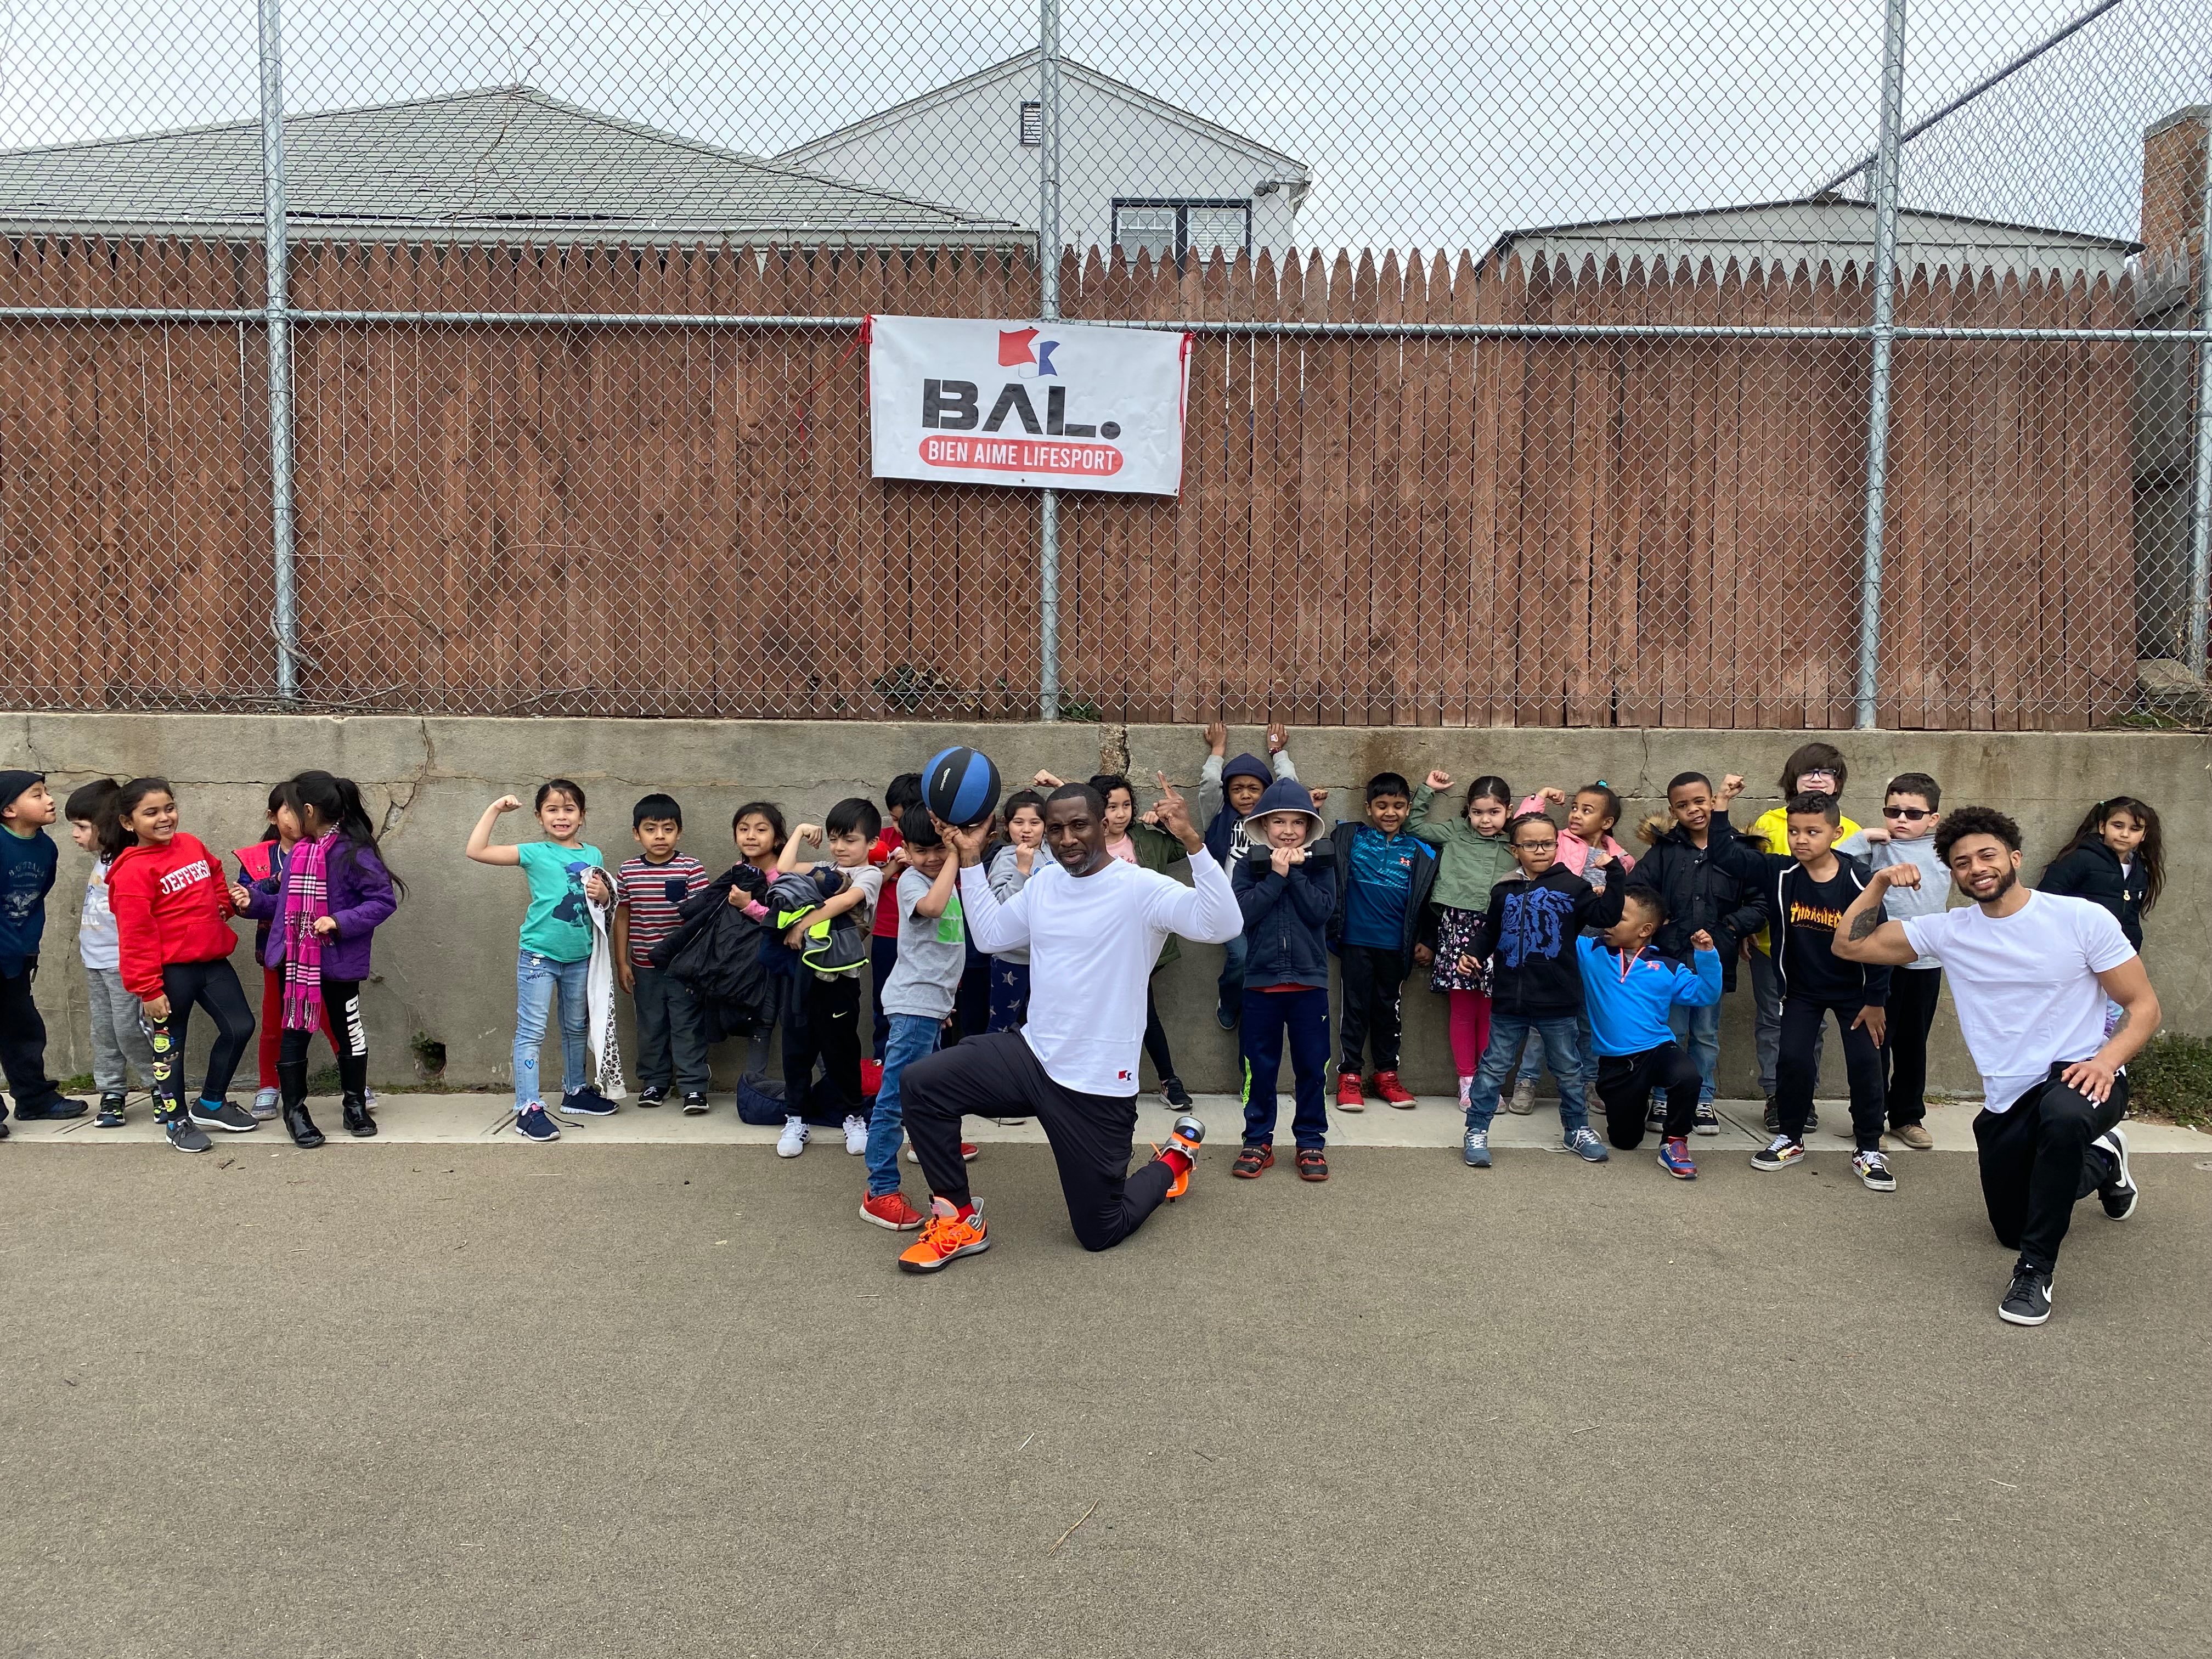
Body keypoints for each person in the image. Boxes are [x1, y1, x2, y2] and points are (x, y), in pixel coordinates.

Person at [893, 776, 1240, 1273]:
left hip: (1097, 1083)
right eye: (1056, 829)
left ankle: (1173, 1161)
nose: (1067, 838)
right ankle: (959, 1219)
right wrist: (969, 859)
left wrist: (1192, 841)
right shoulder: (1047, 885)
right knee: (922, 1084)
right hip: (1032, 1056)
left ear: (1103, 825)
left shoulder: (1139, 887)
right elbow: (991, 936)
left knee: (1100, 1232)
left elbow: (1222, 925)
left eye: (1079, 825)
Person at [1833, 806, 2157, 1327]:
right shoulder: (1947, 930)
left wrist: (2106, 1062)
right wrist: (1877, 885)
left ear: (2015, 858)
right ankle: (2103, 1161)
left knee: (2065, 1119)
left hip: (2081, 1073)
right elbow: (1848, 945)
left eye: (1987, 855)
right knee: (2012, 1223)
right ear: (1953, 875)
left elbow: (2144, 1008)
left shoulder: (2080, 919)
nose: (1976, 867)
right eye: (1962, 862)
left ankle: (2034, 1273)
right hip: (2010, 1092)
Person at [235, 771, 400, 1147]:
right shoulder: (302, 853)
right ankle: (296, 1112)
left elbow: (381, 902)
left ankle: (354, 1104)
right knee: (293, 1036)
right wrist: (254, 902)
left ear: (308, 810)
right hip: (295, 963)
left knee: (349, 1035)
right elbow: (287, 904)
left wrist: (338, 921)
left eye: (293, 810)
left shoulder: (354, 852)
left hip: (339, 964)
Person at [1745, 792, 1894, 1192]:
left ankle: (1868, 1148)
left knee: (1866, 1066)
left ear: (1837, 833)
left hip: (1856, 995)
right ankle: (1790, 1139)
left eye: (1813, 831)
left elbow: (1881, 940)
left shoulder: (1859, 878)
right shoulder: (1783, 876)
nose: (1801, 840)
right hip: (1802, 993)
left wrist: (1876, 1000)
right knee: (1792, 1060)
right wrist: (1723, 803)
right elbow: (1730, 857)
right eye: (1794, 832)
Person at [1459, 811, 1620, 1169]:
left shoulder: (1573, 887)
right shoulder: (1504, 889)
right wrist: (1472, 954)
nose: (1540, 850)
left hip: (1558, 1000)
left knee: (1569, 1070)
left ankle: (1577, 1130)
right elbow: (1490, 932)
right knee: (1493, 1069)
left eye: (1548, 843)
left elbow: (1607, 917)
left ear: (1556, 844)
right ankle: (1476, 1131)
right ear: (1516, 850)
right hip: (1508, 1001)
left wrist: (1615, 874)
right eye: (1531, 844)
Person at [104, 777, 256, 1153]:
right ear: (128, 823)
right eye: (151, 813)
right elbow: (135, 936)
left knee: (240, 1026)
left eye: (169, 808)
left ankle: (211, 1103)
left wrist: (225, 905)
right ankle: (177, 1120)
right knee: (170, 1048)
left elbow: (215, 871)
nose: (164, 818)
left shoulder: (191, 844)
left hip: (212, 960)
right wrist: (148, 989)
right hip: (170, 974)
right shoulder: (131, 873)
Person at [1034, 768, 1198, 1108]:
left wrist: (1164, 823)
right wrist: (1059, 784)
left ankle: (1161, 1080)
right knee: (1124, 1010)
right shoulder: (1078, 849)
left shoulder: (1145, 839)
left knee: (1140, 1009)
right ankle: (1114, 1081)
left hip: (1136, 950)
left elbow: (1184, 848)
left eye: (1126, 806)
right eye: (1111, 807)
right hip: (1091, 949)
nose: (1120, 814)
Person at [465, 780, 618, 1144]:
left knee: (576, 1026)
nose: (561, 816)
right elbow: (476, 850)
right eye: (552, 809)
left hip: (581, 956)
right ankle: (528, 1107)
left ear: (582, 816)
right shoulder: (534, 852)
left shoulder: (594, 854)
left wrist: (604, 892)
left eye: (569, 809)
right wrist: (495, 810)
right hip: (539, 956)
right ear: (539, 816)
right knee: (532, 1031)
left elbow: (600, 903)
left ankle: (575, 1092)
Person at [1624, 771, 1763, 1133]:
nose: (1694, 810)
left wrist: (1731, 929)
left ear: (1712, 802)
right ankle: (1663, 1098)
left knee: (1705, 1033)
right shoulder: (1666, 850)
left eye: (1700, 801)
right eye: (1683, 806)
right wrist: (1659, 920)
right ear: (1673, 810)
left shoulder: (1740, 848)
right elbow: (1637, 889)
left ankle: (1702, 1100)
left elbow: (1759, 902)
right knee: (1668, 1031)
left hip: (1711, 962)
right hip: (1669, 960)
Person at [859, 808, 966, 1230]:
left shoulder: (944, 879)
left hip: (931, 1008)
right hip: (912, 1007)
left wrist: (944, 1002)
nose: (933, 858)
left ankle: (931, 1157)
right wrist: (956, 854)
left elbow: (944, 950)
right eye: (921, 851)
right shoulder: (911, 881)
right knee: (894, 1100)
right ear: (906, 849)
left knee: (925, 1096)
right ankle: (880, 1191)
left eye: (939, 849)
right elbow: (934, 908)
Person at [1744, 743, 1861, 1119]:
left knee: (1814, 1026)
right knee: (1774, 1021)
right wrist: (1748, 925)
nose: (1817, 778)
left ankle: (1802, 1096)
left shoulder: (1854, 832)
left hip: (1828, 949)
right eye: (1808, 771)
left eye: (1826, 772)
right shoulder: (1770, 822)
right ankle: (1777, 1096)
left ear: (1838, 783)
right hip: (1773, 946)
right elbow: (1755, 877)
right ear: (1791, 780)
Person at [1230, 777, 1337, 1181]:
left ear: (1309, 828)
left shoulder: (1321, 865)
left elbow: (1320, 912)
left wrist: (1294, 873)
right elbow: (1243, 916)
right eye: (1279, 822)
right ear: (1264, 826)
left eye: (1298, 822)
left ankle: (1311, 1142)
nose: (1289, 830)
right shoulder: (1248, 866)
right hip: (1261, 984)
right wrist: (1274, 875)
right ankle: (1257, 1139)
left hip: (1309, 986)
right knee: (1260, 1067)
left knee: (1312, 1066)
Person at [1505, 781, 1636, 1111]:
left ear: (1607, 823)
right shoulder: (1559, 842)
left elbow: (1622, 902)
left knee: (1590, 1018)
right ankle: (1526, 1083)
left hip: (1596, 945)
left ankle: (1590, 1083)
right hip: (1555, 942)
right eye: (1575, 807)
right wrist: (1541, 798)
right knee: (1544, 1018)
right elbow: (1523, 827)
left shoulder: (1620, 859)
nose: (1576, 815)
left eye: (1586, 811)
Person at [1838, 772, 1949, 1150]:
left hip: (1925, 961)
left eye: (1913, 814)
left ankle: (1907, 1116)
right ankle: (1869, 1120)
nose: (1901, 819)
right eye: (1893, 811)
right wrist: (1863, 837)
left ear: (1933, 819)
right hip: (1877, 961)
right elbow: (1836, 864)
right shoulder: (1876, 848)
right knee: (1873, 1042)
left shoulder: (1944, 850)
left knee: (1912, 1042)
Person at [1578, 891, 1722, 1179]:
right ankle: (1636, 1100)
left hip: (1657, 1050)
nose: (1609, 921)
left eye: (1618, 917)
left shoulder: (1667, 967)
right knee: (1625, 1141)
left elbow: (1705, 993)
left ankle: (1675, 1142)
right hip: (1616, 1064)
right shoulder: (1588, 951)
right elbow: (1560, 928)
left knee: (1688, 1076)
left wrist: (1707, 956)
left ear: (1645, 930)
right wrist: (1590, 902)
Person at [774, 798, 883, 1158]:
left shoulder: (870, 874)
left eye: (849, 839)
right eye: (835, 838)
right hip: (802, 974)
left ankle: (853, 1116)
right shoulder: (825, 867)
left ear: (871, 842)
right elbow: (782, 869)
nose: (839, 847)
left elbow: (843, 902)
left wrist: (801, 925)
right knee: (797, 1048)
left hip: (841, 980)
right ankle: (796, 1119)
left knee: (842, 1050)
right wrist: (800, 832)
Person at [1328, 771, 1438, 1110]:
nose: (1390, 813)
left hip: (1396, 947)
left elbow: (1430, 899)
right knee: (1355, 1009)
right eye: (1382, 806)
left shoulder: (1423, 851)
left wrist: (1427, 939)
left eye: (1399, 806)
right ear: (1368, 808)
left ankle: (1386, 1075)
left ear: (1408, 809)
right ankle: (1349, 1077)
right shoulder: (1350, 837)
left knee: (1388, 1010)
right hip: (1355, 942)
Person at [238, 783, 346, 1122]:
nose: (296, 816)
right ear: (273, 816)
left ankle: (352, 1083)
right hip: (279, 954)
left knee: (331, 1019)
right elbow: (249, 898)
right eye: (288, 809)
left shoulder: (326, 850)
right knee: (274, 1022)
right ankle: (269, 1085)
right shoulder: (258, 858)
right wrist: (264, 890)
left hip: (321, 952)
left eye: (302, 808)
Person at [1412, 770, 1519, 1109]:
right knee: (1462, 1008)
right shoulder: (1455, 832)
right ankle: (1467, 1081)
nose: (1485, 820)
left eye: (1494, 812)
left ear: (1509, 810)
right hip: (1459, 926)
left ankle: (1489, 1083)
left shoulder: (1515, 842)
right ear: (1468, 811)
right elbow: (1414, 826)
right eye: (1477, 812)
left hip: (1501, 929)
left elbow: (1544, 839)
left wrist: (1544, 794)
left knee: (1491, 1010)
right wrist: (1428, 790)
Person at [612, 793, 712, 1115]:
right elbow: (623, 915)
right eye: (651, 829)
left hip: (683, 967)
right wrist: (622, 961)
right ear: (636, 833)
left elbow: (703, 916)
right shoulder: (628, 872)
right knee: (651, 1025)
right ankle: (655, 1082)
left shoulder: (690, 868)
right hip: (644, 966)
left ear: (679, 832)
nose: (659, 836)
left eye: (667, 829)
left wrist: (700, 960)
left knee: (687, 1025)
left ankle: (693, 1088)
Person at [65, 780, 156, 1128]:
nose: (75, 834)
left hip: (124, 965)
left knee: (130, 1029)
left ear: (109, 826)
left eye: (82, 827)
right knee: (103, 1031)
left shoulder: (129, 862)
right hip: (96, 962)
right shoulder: (101, 860)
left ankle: (161, 1087)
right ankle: (112, 1091)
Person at [1196, 719, 1297, 1028]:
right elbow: (1209, 786)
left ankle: (1255, 1010)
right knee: (1241, 958)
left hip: (1265, 902)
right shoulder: (1218, 816)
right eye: (1237, 789)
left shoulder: (1272, 821)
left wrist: (1278, 753)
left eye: (1254, 789)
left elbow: (1290, 787)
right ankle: (1229, 999)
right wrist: (1217, 750)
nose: (1245, 795)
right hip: (1227, 905)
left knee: (1261, 962)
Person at [1, 770, 85, 1132]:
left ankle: (34, 1100)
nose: (49, 800)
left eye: (46, 792)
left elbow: (37, 899)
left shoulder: (45, 847)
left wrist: (27, 946)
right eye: (37, 795)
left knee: (23, 1029)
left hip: (17, 957)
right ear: (8, 809)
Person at [2039, 797, 2161, 1040]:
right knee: (2074, 1021)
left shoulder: (2140, 871)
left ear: (2144, 835)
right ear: (2103, 826)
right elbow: (2046, 901)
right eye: (2118, 826)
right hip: (2078, 958)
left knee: (2113, 1022)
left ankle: (2108, 1068)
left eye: (2135, 829)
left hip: (2119, 960)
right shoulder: (2080, 859)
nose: (2125, 834)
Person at [730, 802, 794, 1076]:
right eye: (743, 829)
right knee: (761, 1020)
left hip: (789, 959)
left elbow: (788, 920)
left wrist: (748, 906)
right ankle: (752, 1087)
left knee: (795, 1019)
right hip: (754, 963)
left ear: (778, 838)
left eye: (761, 829)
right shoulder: (738, 870)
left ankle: (832, 1091)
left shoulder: (785, 873)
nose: (751, 836)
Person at [867, 773, 923, 1063]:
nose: (898, 827)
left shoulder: (933, 845)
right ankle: (882, 1061)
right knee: (883, 1001)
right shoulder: (882, 842)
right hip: (887, 933)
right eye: (893, 818)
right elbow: (862, 880)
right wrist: (890, 867)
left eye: (903, 819)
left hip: (926, 936)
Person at [985, 790, 1046, 1035]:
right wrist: (1022, 870)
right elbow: (1000, 907)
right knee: (1002, 1025)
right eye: (1018, 822)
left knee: (1040, 1026)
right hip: (1013, 958)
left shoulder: (1055, 855)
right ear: (1007, 825)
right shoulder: (1006, 857)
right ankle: (992, 1073)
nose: (1027, 830)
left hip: (1047, 957)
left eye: (1035, 822)